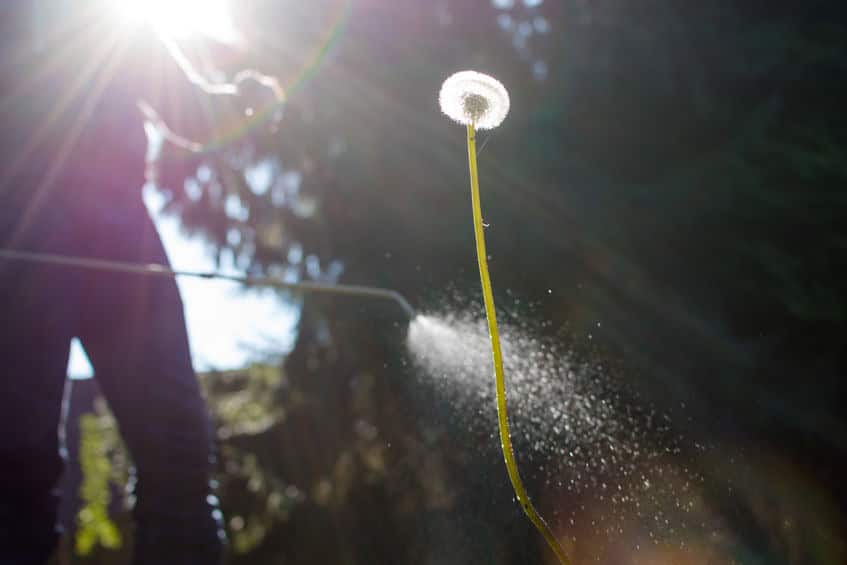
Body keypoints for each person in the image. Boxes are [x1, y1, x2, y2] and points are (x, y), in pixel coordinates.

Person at [0, 1, 282, 563]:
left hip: (122, 238)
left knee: (177, 446)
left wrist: (244, 101)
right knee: (16, 454)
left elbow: (192, 110)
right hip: (18, 234)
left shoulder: (114, 24)